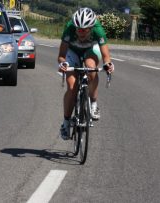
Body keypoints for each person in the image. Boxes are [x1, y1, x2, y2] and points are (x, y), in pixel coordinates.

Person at [58, 7, 114, 140]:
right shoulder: (69, 28)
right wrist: (62, 64)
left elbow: (106, 56)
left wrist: (108, 65)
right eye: (78, 29)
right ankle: (66, 123)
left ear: (91, 27)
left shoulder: (98, 30)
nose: (81, 32)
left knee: (91, 67)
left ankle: (93, 104)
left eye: (84, 30)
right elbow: (61, 55)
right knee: (72, 87)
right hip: (72, 52)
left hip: (90, 50)